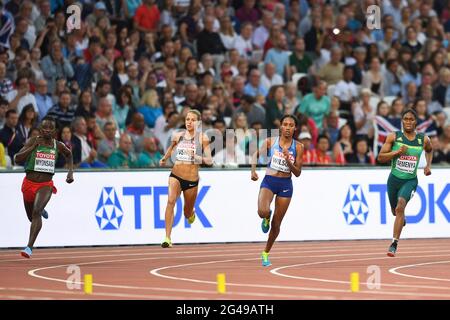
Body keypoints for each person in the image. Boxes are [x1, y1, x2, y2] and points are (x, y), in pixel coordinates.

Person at [13, 116, 74, 258]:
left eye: (50, 128)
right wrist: (32, 148)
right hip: (29, 183)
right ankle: (40, 210)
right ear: (40, 129)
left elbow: (69, 155)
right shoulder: (33, 141)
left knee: (36, 211)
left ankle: (29, 247)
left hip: (45, 185)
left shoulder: (57, 145)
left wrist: (70, 173)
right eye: (44, 128)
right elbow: (17, 158)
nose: (47, 130)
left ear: (54, 131)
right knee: (31, 217)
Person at [377, 109, 433, 257]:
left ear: (416, 122)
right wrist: (396, 153)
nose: (408, 122)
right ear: (402, 121)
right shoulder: (394, 137)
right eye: (405, 119)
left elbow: (430, 150)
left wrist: (428, 166)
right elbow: (380, 157)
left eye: (411, 119)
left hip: (410, 181)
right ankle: (401, 218)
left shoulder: (423, 139)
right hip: (393, 180)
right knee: (395, 211)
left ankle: (394, 243)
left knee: (400, 206)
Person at [250, 115, 303, 266]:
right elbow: (255, 154)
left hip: (285, 185)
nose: (287, 127)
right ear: (280, 127)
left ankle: (265, 252)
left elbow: (298, 173)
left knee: (276, 224)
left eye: (291, 125)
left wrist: (288, 160)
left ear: (295, 128)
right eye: (285, 124)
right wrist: (253, 171)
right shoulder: (270, 142)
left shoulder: (298, 147)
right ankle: (266, 216)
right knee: (262, 211)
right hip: (269, 181)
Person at [158, 109, 212, 248]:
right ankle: (167, 238)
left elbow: (209, 161)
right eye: (187, 119)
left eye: (193, 120)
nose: (189, 122)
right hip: (175, 175)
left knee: (187, 212)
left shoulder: (203, 138)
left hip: (191, 181)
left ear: (198, 122)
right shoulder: (178, 135)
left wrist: (196, 157)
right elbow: (171, 148)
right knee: (170, 201)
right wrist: (164, 158)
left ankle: (191, 213)